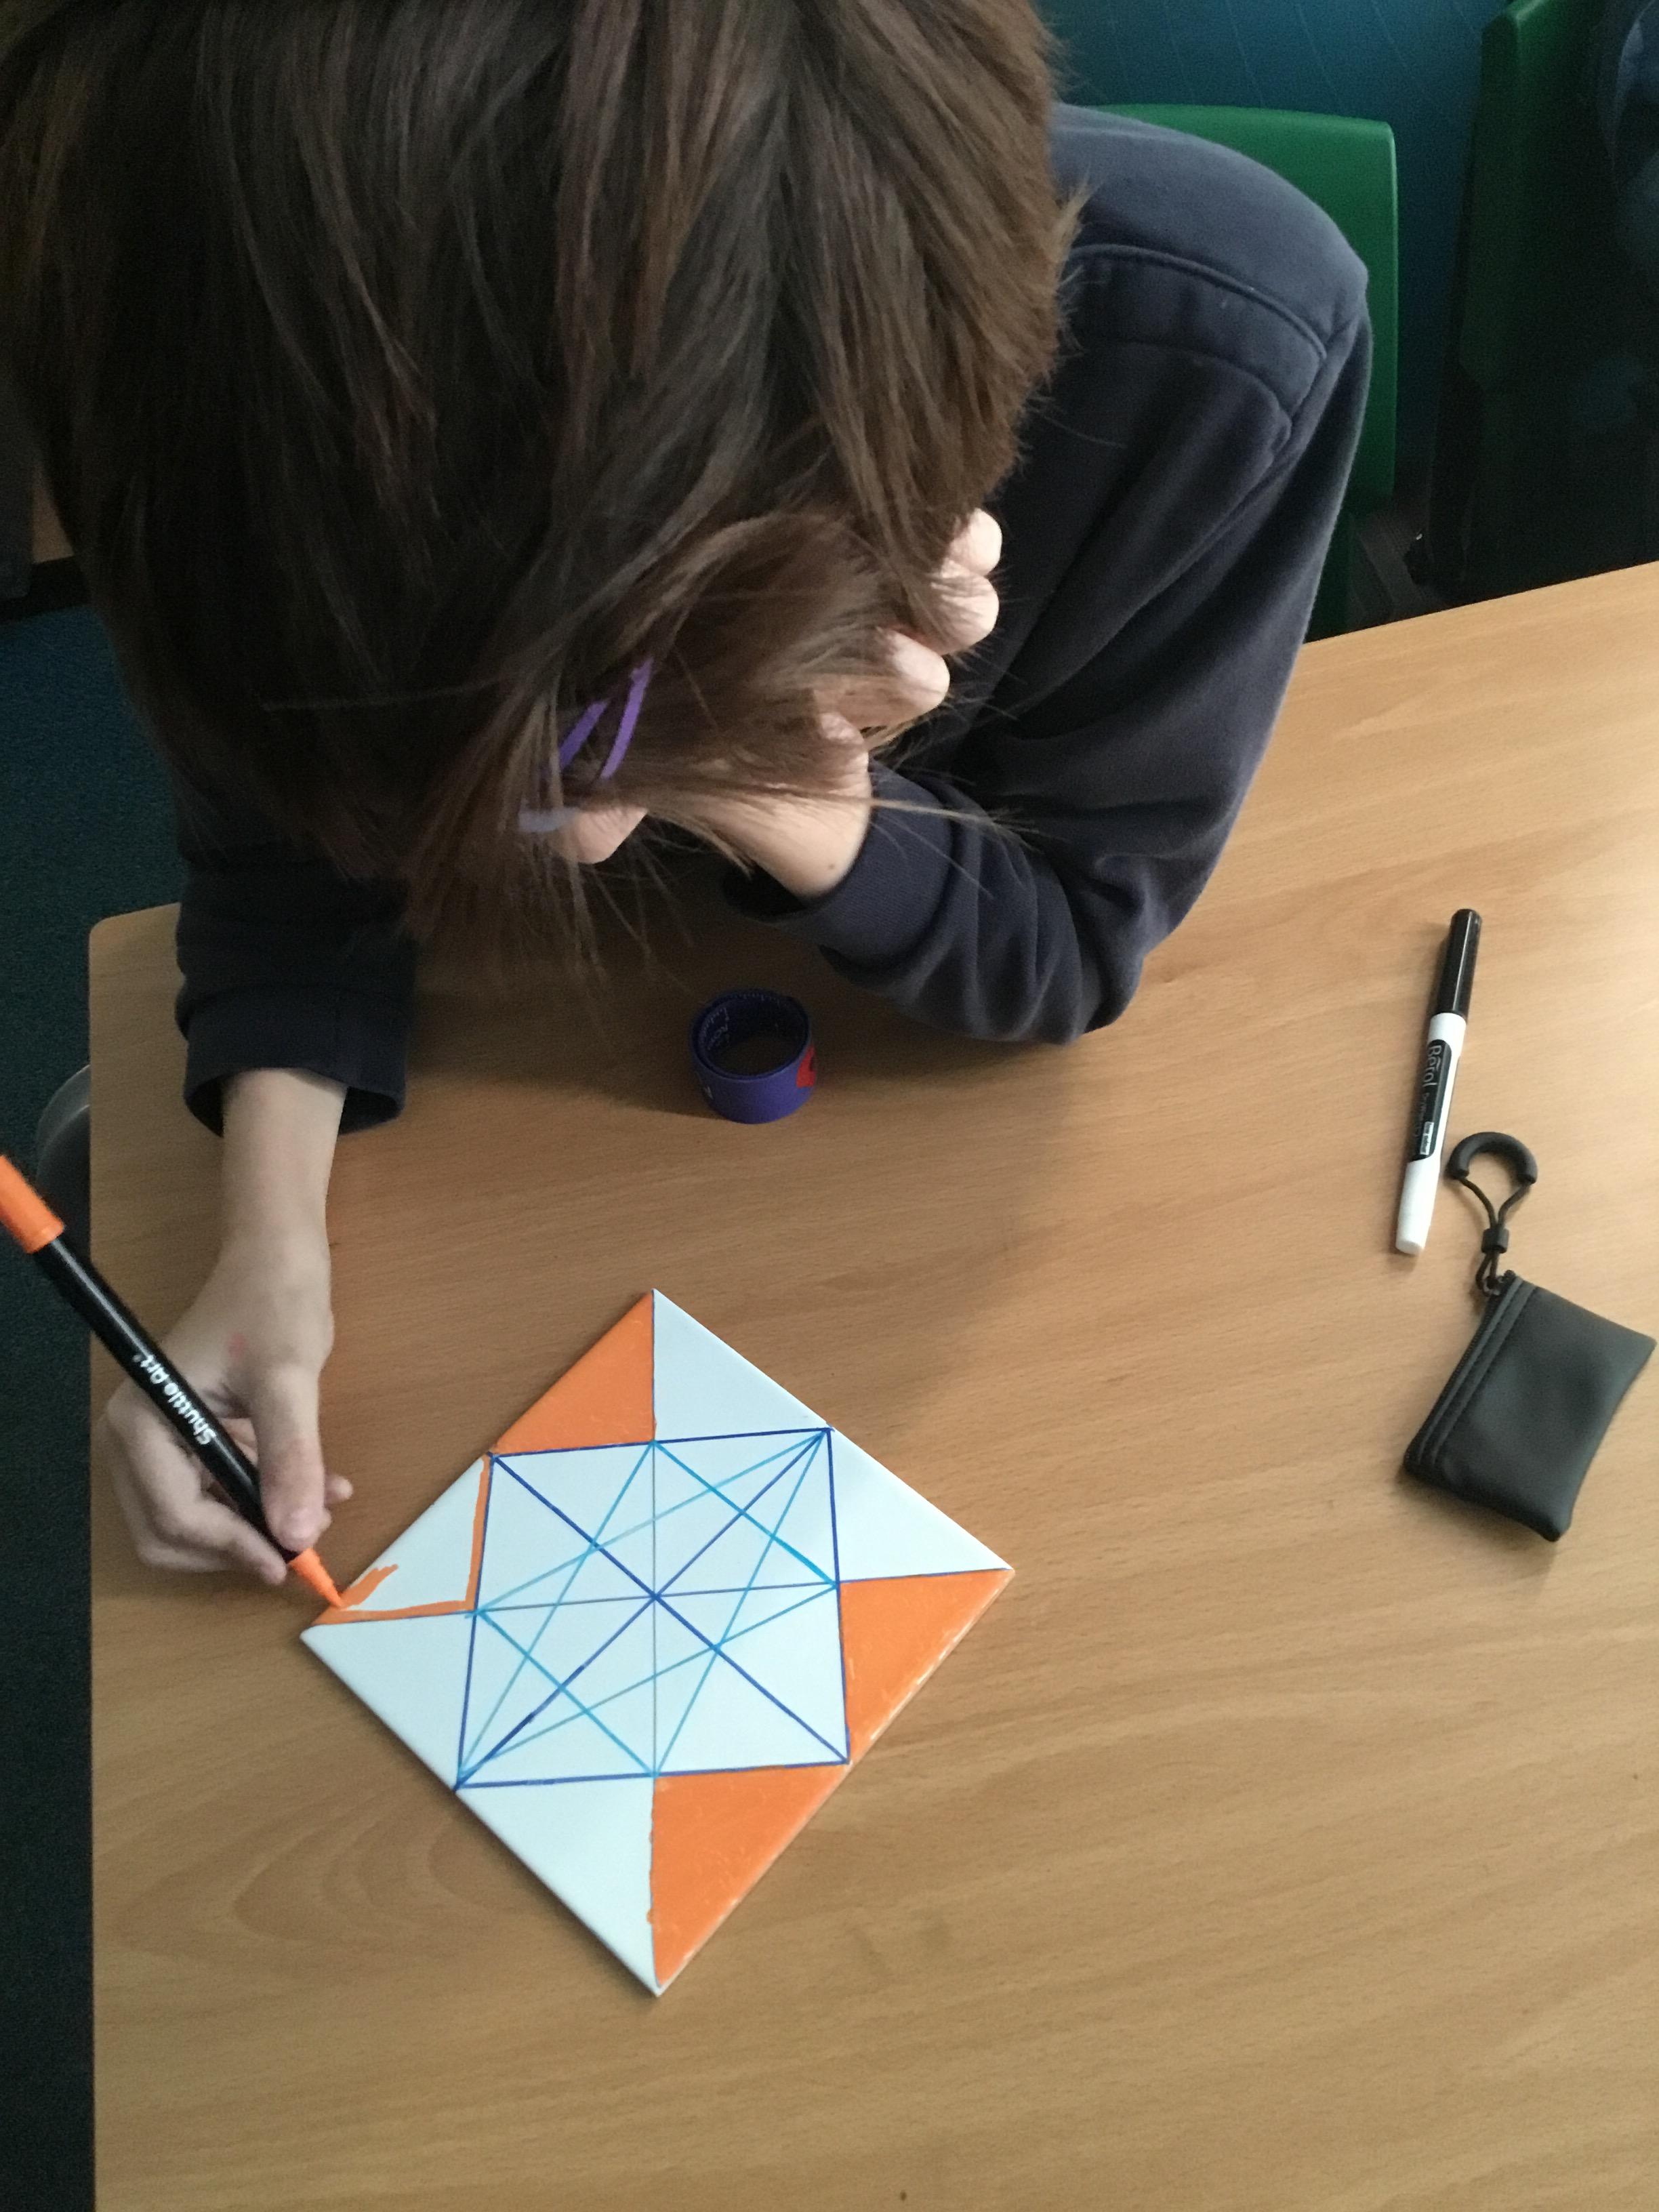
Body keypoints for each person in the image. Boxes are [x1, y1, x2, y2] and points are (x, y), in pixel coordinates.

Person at [0, 1, 1369, 1583]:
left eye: (595, 744)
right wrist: (271, 1247)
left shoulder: (1226, 352)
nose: (574, 847)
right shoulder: (240, 389)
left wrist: (771, 773)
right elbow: (282, 843)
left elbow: (1063, 944)